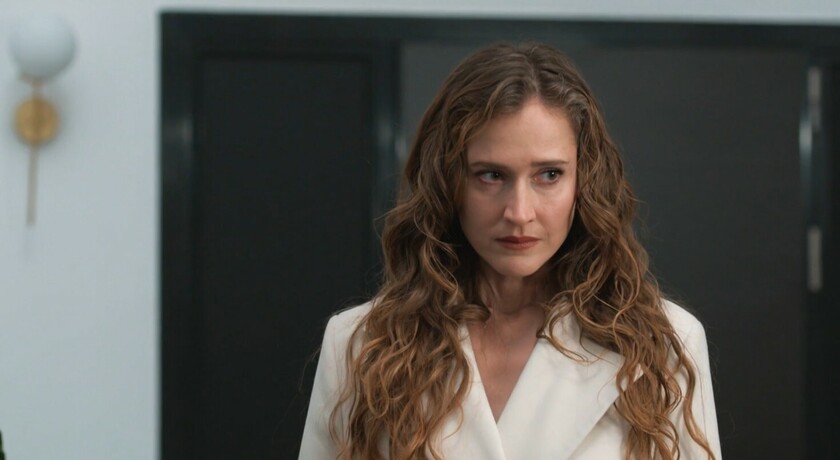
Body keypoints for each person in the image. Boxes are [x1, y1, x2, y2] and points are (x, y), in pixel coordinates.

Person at [299, 42, 721, 460]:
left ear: (585, 181)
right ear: (448, 182)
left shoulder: (666, 343)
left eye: (549, 174)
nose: (519, 213)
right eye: (490, 175)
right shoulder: (360, 345)